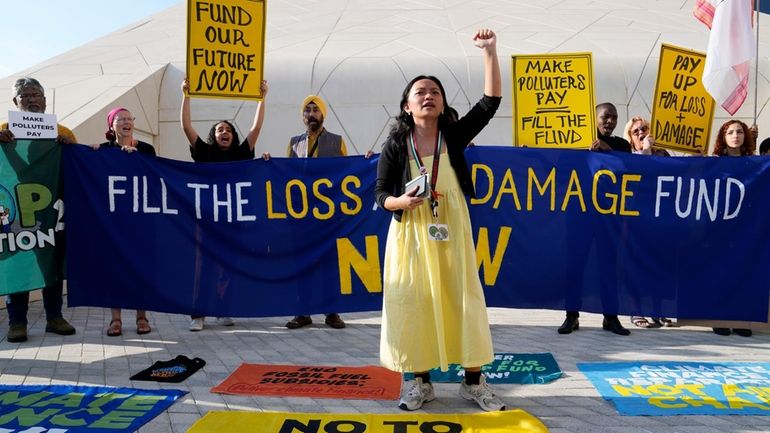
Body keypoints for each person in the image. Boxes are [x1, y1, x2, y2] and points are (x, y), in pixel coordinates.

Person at [375, 28, 504, 412]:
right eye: (420, 92)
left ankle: (474, 381)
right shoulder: (397, 144)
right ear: (407, 107)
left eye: (434, 91)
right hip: (410, 237)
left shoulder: (454, 134)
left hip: (452, 232)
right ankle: (420, 383)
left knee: (463, 299)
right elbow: (380, 195)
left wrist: (489, 52)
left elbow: (490, 101)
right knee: (413, 303)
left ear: (443, 102)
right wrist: (399, 201)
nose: (428, 96)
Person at [180, 78, 268, 331]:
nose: (224, 133)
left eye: (228, 130)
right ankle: (198, 315)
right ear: (214, 135)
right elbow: (186, 126)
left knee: (229, 265)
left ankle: (223, 309)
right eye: (219, 130)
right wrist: (185, 94)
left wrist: (262, 97)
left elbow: (256, 127)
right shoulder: (205, 153)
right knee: (203, 267)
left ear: (233, 135)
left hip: (233, 220)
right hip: (207, 220)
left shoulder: (242, 152)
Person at [0, 77, 76, 343]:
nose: (32, 99)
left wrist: (70, 148)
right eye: (25, 96)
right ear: (15, 102)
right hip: (18, 210)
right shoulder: (3, 130)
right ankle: (17, 322)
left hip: (52, 211)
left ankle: (54, 317)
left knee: (51, 264)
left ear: (45, 99)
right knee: (18, 264)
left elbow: (76, 168)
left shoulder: (63, 131)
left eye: (36, 94)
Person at [559, 103, 631, 336]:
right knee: (574, 265)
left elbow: (629, 170)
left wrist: (608, 151)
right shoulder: (575, 140)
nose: (610, 121)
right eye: (606, 117)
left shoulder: (622, 145)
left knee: (609, 266)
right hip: (579, 215)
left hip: (610, 218)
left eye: (614, 118)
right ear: (595, 117)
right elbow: (558, 167)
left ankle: (611, 317)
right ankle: (571, 316)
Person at [284, 95, 347, 330]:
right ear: (303, 116)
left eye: (315, 110)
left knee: (330, 264)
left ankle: (332, 312)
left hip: (328, 216)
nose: (311, 114)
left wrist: (367, 161)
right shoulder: (293, 143)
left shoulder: (337, 141)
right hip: (302, 216)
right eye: (307, 110)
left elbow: (347, 172)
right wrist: (270, 164)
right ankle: (303, 312)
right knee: (303, 264)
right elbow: (286, 174)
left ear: (323, 114)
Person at [97, 107, 155, 336]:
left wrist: (137, 158)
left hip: (142, 219)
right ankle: (116, 320)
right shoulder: (103, 150)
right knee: (115, 269)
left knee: (142, 268)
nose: (126, 122)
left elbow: (154, 174)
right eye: (121, 119)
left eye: (129, 119)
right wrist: (91, 153)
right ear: (112, 125)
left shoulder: (147, 149)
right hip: (115, 220)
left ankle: (142, 317)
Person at [621, 116, 674, 329]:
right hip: (633, 220)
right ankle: (636, 310)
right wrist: (643, 152)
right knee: (635, 265)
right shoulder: (625, 155)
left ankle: (658, 310)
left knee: (658, 263)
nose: (641, 132)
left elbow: (676, 174)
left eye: (644, 128)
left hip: (658, 218)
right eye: (636, 131)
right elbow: (637, 173)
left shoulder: (661, 154)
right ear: (630, 137)